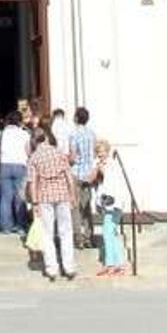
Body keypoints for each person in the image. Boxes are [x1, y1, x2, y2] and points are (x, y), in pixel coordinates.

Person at [26, 123, 77, 282]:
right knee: (66, 232)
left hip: (44, 197)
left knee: (47, 234)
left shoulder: (34, 158)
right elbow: (69, 176)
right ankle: (69, 266)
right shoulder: (59, 153)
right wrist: (73, 194)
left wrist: (34, 203)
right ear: (47, 138)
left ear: (35, 141)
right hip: (62, 194)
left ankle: (51, 268)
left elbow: (33, 182)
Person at [93, 138, 128, 275]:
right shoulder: (101, 164)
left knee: (109, 233)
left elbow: (112, 184)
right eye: (98, 152)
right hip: (107, 203)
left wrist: (102, 171)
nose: (100, 154)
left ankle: (113, 264)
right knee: (111, 233)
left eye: (102, 151)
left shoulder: (111, 165)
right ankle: (116, 263)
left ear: (107, 151)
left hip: (113, 204)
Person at [0, 110, 30, 234]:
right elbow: (28, 151)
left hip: (5, 165)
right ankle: (21, 226)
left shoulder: (1, 134)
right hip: (20, 165)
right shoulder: (24, 134)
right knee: (20, 197)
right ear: (20, 121)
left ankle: (6, 227)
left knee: (5, 198)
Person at [68, 106, 98, 251]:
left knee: (75, 207)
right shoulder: (92, 134)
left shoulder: (74, 134)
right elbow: (94, 153)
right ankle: (89, 237)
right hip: (88, 173)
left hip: (76, 173)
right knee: (87, 207)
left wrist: (66, 160)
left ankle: (78, 238)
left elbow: (73, 156)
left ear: (76, 118)